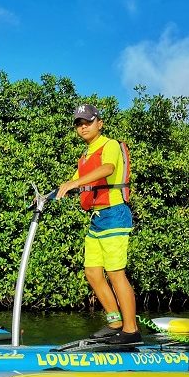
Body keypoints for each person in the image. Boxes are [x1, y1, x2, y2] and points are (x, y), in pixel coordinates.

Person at [56, 104, 140, 346]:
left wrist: (74, 184)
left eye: (88, 122)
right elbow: (71, 182)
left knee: (115, 273)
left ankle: (131, 330)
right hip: (97, 219)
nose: (83, 127)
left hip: (114, 213)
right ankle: (115, 322)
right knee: (92, 272)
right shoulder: (84, 157)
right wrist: (46, 196)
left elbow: (108, 169)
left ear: (99, 123)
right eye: (79, 124)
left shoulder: (109, 145)